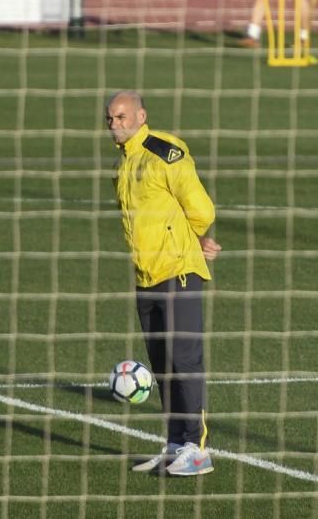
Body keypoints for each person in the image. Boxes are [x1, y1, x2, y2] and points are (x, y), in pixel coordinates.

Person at [105, 90, 222, 476]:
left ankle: (197, 448)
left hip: (179, 273)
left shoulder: (164, 151)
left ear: (141, 116)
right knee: (163, 366)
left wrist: (193, 239)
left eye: (121, 117)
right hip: (147, 278)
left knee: (185, 361)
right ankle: (175, 445)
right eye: (110, 119)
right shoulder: (125, 163)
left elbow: (200, 208)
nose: (114, 125)